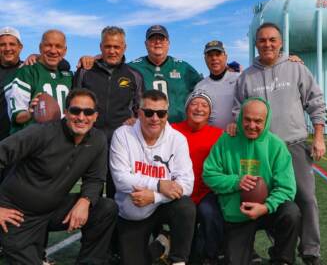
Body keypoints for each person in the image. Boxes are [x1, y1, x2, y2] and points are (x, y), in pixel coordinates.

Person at [230, 22, 326, 265]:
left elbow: (315, 101)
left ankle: (310, 251)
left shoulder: (296, 69)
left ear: (281, 42)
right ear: (256, 44)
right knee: (260, 197)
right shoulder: (247, 76)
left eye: (272, 39)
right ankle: (273, 250)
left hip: (292, 145)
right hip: (259, 150)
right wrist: (234, 124)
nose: (267, 44)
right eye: (262, 40)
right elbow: (237, 110)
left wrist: (319, 136)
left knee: (305, 199)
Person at [0, 88, 118, 264]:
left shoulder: (97, 139)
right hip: (17, 214)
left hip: (53, 209)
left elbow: (95, 178)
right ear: (66, 112)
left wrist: (85, 200)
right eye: (75, 110)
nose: (81, 117)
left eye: (88, 112)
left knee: (105, 208)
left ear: (95, 116)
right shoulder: (40, 133)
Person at [204, 98, 301, 265]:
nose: (251, 125)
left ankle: (282, 258)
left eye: (258, 121)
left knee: (291, 212)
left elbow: (287, 188)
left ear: (267, 120)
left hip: (268, 210)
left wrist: (266, 206)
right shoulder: (226, 140)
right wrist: (236, 181)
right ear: (240, 117)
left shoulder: (276, 145)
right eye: (247, 119)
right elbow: (209, 174)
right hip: (237, 213)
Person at [109, 89, 196, 265]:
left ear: (167, 114)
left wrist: (155, 195)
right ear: (139, 113)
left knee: (186, 207)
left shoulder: (177, 139)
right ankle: (162, 243)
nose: (154, 118)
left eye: (161, 113)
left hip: (163, 204)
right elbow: (120, 179)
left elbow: (187, 184)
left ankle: (178, 260)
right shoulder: (122, 134)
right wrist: (158, 184)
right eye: (148, 112)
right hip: (133, 207)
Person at [74, 26, 144, 198]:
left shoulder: (134, 75)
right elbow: (73, 104)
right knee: (91, 189)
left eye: (116, 47)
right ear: (101, 47)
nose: (112, 51)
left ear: (124, 48)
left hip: (121, 141)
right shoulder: (85, 72)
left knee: (118, 190)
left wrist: (135, 119)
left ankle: (117, 224)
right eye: (108, 46)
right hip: (90, 139)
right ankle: (91, 222)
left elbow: (140, 108)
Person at [172, 90, 223, 264]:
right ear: (186, 109)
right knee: (184, 215)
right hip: (178, 189)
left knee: (209, 213)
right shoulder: (172, 130)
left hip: (206, 191)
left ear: (210, 112)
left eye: (204, 105)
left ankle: (211, 256)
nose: (199, 108)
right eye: (194, 103)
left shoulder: (219, 134)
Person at [128, 25, 202, 123]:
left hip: (178, 128)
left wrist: (227, 69)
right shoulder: (133, 67)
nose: (157, 42)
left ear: (168, 43)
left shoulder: (183, 68)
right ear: (146, 44)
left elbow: (204, 90)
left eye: (162, 39)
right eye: (153, 39)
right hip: (146, 127)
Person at [5, 29, 72, 134]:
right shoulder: (26, 72)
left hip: (59, 142)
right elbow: (17, 116)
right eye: (48, 45)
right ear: (40, 48)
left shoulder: (69, 76)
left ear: (65, 50)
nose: (53, 51)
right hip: (31, 142)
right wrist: (30, 113)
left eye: (58, 46)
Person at [194, 40, 241, 129]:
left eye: (218, 54)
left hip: (236, 137)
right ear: (205, 59)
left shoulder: (239, 79)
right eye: (210, 55)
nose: (214, 58)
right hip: (211, 139)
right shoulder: (199, 87)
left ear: (225, 57)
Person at [0, 27, 23, 142]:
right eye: (2, 44)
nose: (7, 48)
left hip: (20, 141)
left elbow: (59, 63)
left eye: (12, 44)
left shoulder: (29, 69)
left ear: (20, 47)